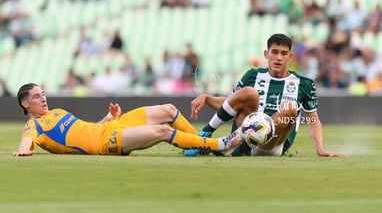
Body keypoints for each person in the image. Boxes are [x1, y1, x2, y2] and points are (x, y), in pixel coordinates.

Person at [184, 34, 346, 157]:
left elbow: (313, 119)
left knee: (290, 108)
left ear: (290, 57)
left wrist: (321, 150)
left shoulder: (304, 83)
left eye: (284, 53)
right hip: (244, 135)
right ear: (266, 54)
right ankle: (205, 135)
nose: (278, 57)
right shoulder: (252, 75)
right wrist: (207, 98)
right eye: (274, 52)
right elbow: (230, 103)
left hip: (273, 143)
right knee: (248, 93)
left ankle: (230, 144)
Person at [12, 83, 242, 157]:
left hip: (110, 127)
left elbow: (88, 129)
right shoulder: (34, 125)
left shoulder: (57, 112)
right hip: (104, 144)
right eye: (36, 97)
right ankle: (219, 144)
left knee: (169, 110)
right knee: (160, 131)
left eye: (43, 94)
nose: (43, 99)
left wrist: (109, 117)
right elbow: (27, 141)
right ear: (25, 104)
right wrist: (24, 150)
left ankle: (196, 145)